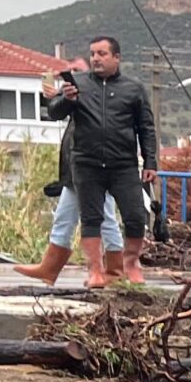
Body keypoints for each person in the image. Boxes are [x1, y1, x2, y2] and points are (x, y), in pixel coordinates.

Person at [40, 34, 157, 288]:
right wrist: (66, 99)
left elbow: (146, 127)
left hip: (123, 164)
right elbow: (55, 112)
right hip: (86, 163)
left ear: (117, 57)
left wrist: (150, 161)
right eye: (93, 54)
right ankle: (95, 271)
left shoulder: (133, 88)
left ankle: (131, 264)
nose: (96, 58)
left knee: (136, 216)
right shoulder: (78, 83)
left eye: (102, 54)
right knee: (91, 220)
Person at [13, 83, 127, 284]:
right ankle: (50, 268)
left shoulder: (102, 93)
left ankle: (114, 272)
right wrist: (58, 95)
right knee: (64, 217)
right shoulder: (91, 93)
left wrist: (59, 94)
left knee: (104, 218)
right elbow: (63, 108)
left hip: (95, 167)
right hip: (77, 168)